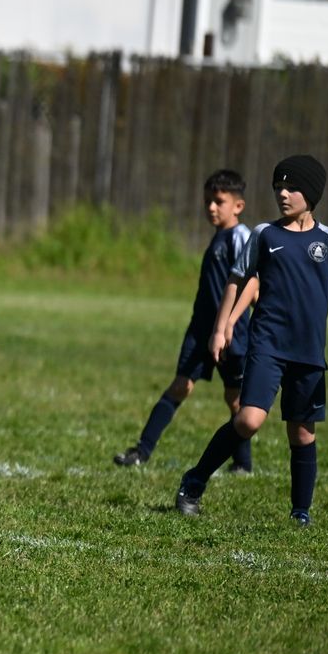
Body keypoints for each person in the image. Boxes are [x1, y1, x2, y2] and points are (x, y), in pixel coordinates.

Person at [176, 156, 328, 527]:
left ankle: (301, 512)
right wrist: (222, 328)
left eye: (291, 188)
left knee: (302, 433)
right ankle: (195, 480)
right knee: (249, 420)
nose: (282, 194)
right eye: (278, 187)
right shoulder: (265, 234)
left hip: (309, 351)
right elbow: (237, 279)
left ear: (311, 193)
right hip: (267, 345)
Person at [114, 169, 252, 472]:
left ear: (238, 206)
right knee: (180, 386)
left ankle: (243, 463)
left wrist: (233, 322)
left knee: (235, 399)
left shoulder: (240, 238)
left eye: (218, 201)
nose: (211, 208)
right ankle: (142, 451)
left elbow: (252, 285)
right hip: (200, 329)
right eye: (207, 202)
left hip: (232, 334)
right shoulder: (218, 238)